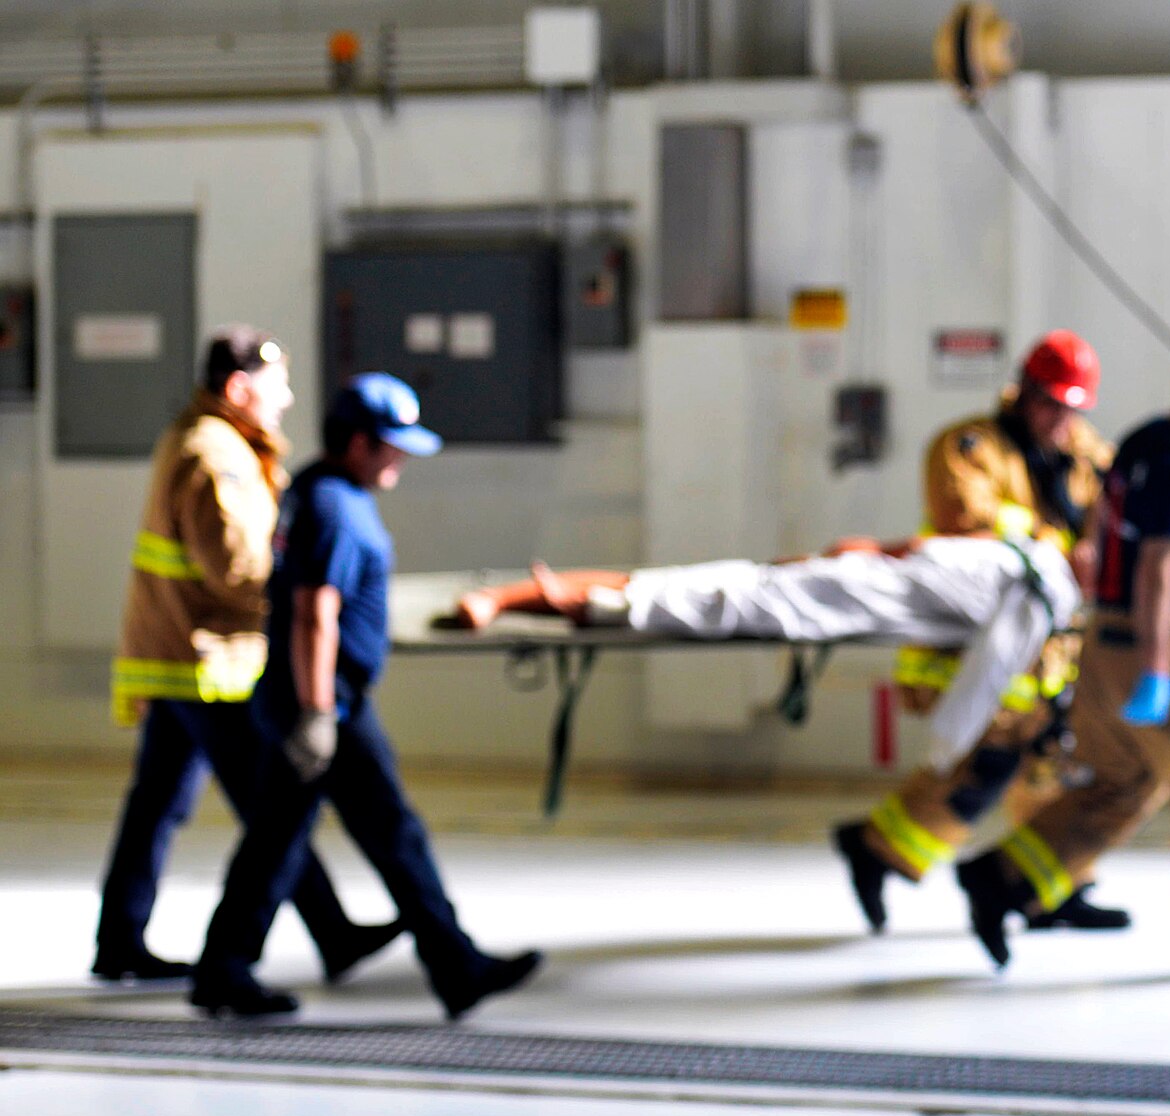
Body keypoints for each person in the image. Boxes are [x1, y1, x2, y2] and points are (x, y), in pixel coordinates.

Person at [190, 374, 542, 1019]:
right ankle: (453, 964)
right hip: (326, 705)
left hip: (311, 697)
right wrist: (319, 714)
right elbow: (313, 614)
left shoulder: (320, 490)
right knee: (383, 834)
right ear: (357, 442)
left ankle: (224, 969)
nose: (402, 458)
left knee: (284, 839)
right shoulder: (335, 509)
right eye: (392, 445)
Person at [954, 342, 1170, 976]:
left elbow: (1100, 541)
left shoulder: (1138, 445)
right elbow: (1158, 570)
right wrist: (1159, 666)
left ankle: (1002, 878)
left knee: (1121, 783)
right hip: (1157, 639)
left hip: (1103, 643)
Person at [94, 327, 397, 984]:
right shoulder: (217, 456)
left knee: (161, 804)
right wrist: (308, 591)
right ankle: (313, 938)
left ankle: (119, 939)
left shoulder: (202, 439)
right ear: (238, 389)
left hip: (178, 655)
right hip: (208, 662)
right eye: (276, 385)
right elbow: (235, 567)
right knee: (276, 803)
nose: (286, 399)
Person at [830, 330, 1129, 935]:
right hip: (975, 646)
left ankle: (1054, 887)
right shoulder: (968, 446)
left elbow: (1117, 502)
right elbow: (964, 519)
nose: (1061, 420)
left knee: (1058, 766)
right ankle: (877, 848)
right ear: (1021, 393)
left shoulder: (1086, 452)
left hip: (1051, 649)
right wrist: (1060, 544)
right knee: (985, 766)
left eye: (1074, 408)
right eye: (1051, 404)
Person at [452, 532, 1081, 775]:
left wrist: (854, 552)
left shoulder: (1034, 572)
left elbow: (986, 648)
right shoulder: (1036, 575)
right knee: (682, 596)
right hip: (840, 589)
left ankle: (515, 595)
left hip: (849, 589)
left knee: (692, 588)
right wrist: (945, 750)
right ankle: (518, 595)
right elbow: (990, 671)